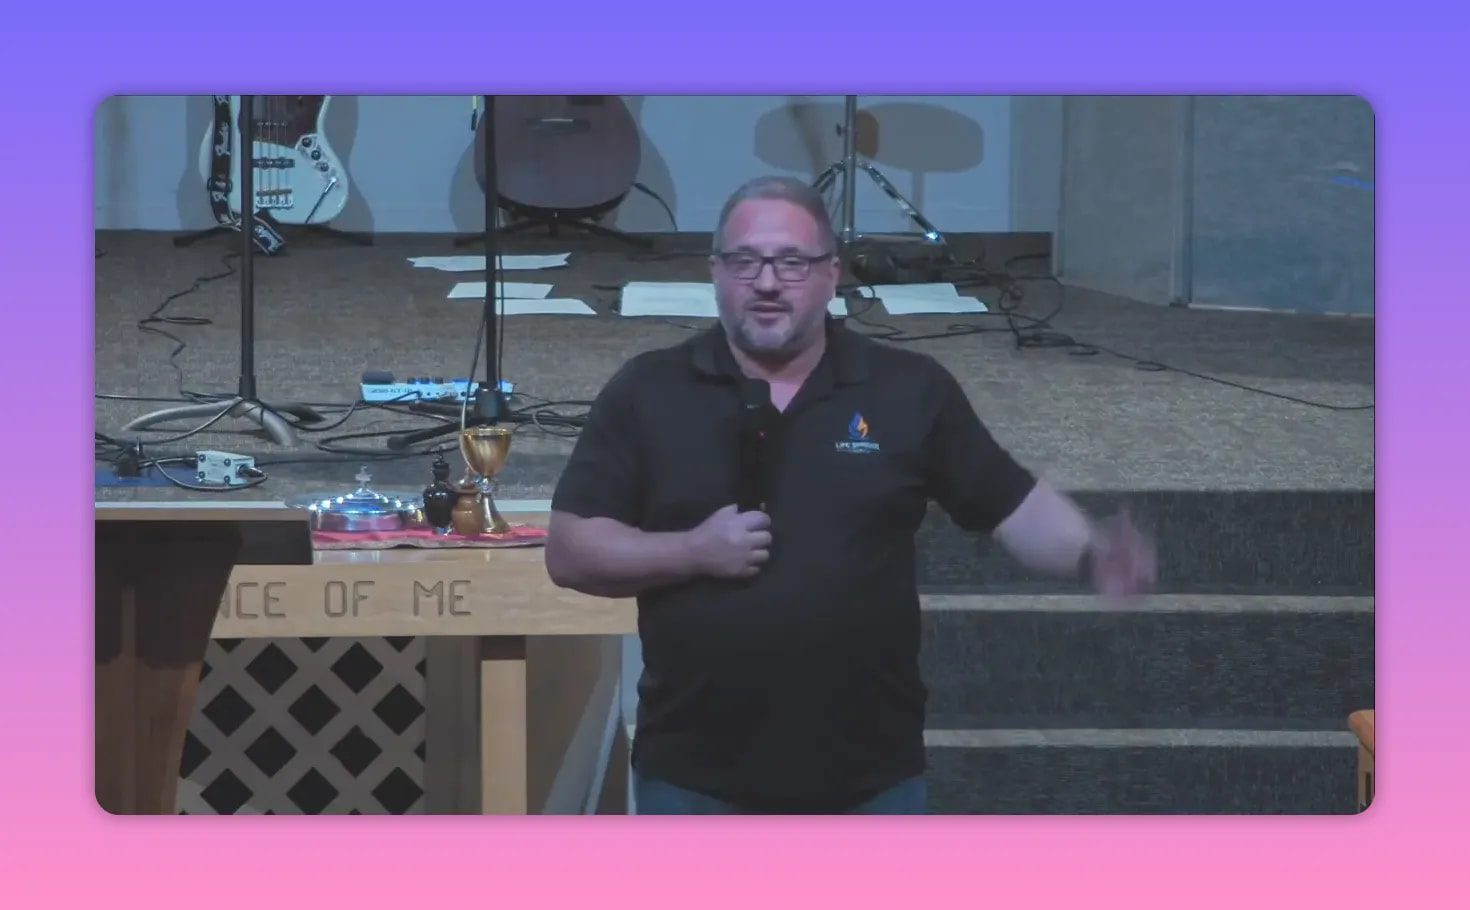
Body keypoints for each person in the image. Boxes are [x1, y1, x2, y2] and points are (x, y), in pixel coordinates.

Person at [545, 175, 1156, 815]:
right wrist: (692, 552)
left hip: (869, 781)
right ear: (716, 272)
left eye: (792, 262)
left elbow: (1011, 504)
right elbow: (571, 549)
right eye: (746, 261)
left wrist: (1092, 553)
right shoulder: (650, 390)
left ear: (832, 274)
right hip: (695, 778)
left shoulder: (907, 390)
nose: (768, 282)